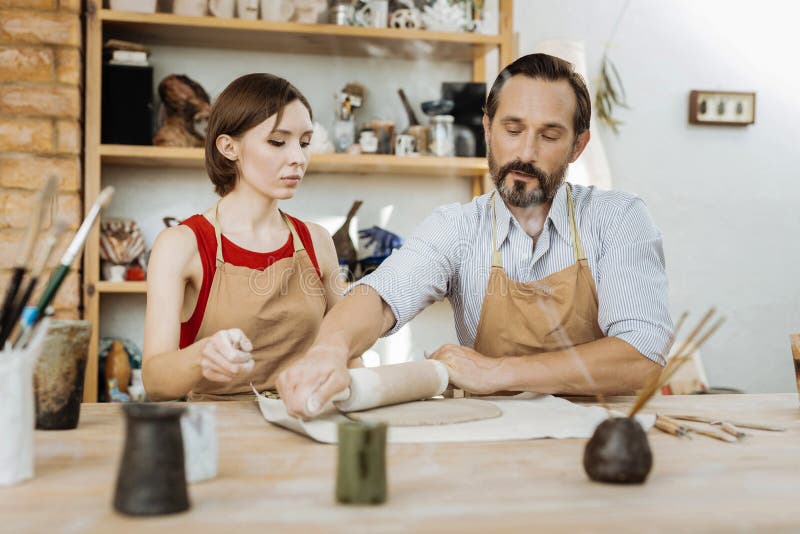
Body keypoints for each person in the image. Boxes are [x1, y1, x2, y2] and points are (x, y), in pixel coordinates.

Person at [276, 53, 674, 418]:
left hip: (605, 434)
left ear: (577, 145)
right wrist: (330, 349)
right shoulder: (457, 227)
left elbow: (641, 356)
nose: (526, 152)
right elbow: (381, 298)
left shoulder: (618, 219)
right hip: (492, 433)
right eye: (512, 129)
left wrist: (499, 372)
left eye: (549, 136)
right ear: (488, 129)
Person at [142, 73, 342, 401]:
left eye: (304, 142)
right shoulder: (182, 244)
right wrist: (201, 356)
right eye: (278, 142)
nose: (298, 158)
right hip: (220, 436)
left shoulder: (317, 242)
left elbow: (347, 351)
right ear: (229, 147)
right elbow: (155, 380)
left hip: (307, 425)